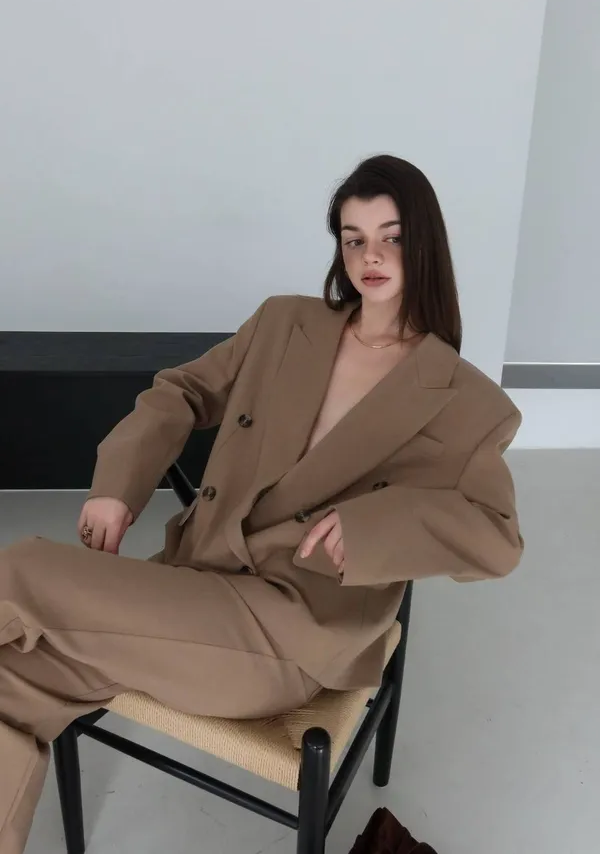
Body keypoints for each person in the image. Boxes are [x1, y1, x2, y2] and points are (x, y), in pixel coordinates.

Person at [0, 154, 523, 854]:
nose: (370, 256)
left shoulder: (467, 401)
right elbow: (182, 391)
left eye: (392, 237)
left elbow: (497, 538)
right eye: (354, 238)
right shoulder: (285, 323)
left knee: (25, 570)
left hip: (285, 633)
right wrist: (117, 485)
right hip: (194, 582)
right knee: (10, 680)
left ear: (426, 242)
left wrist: (376, 527)